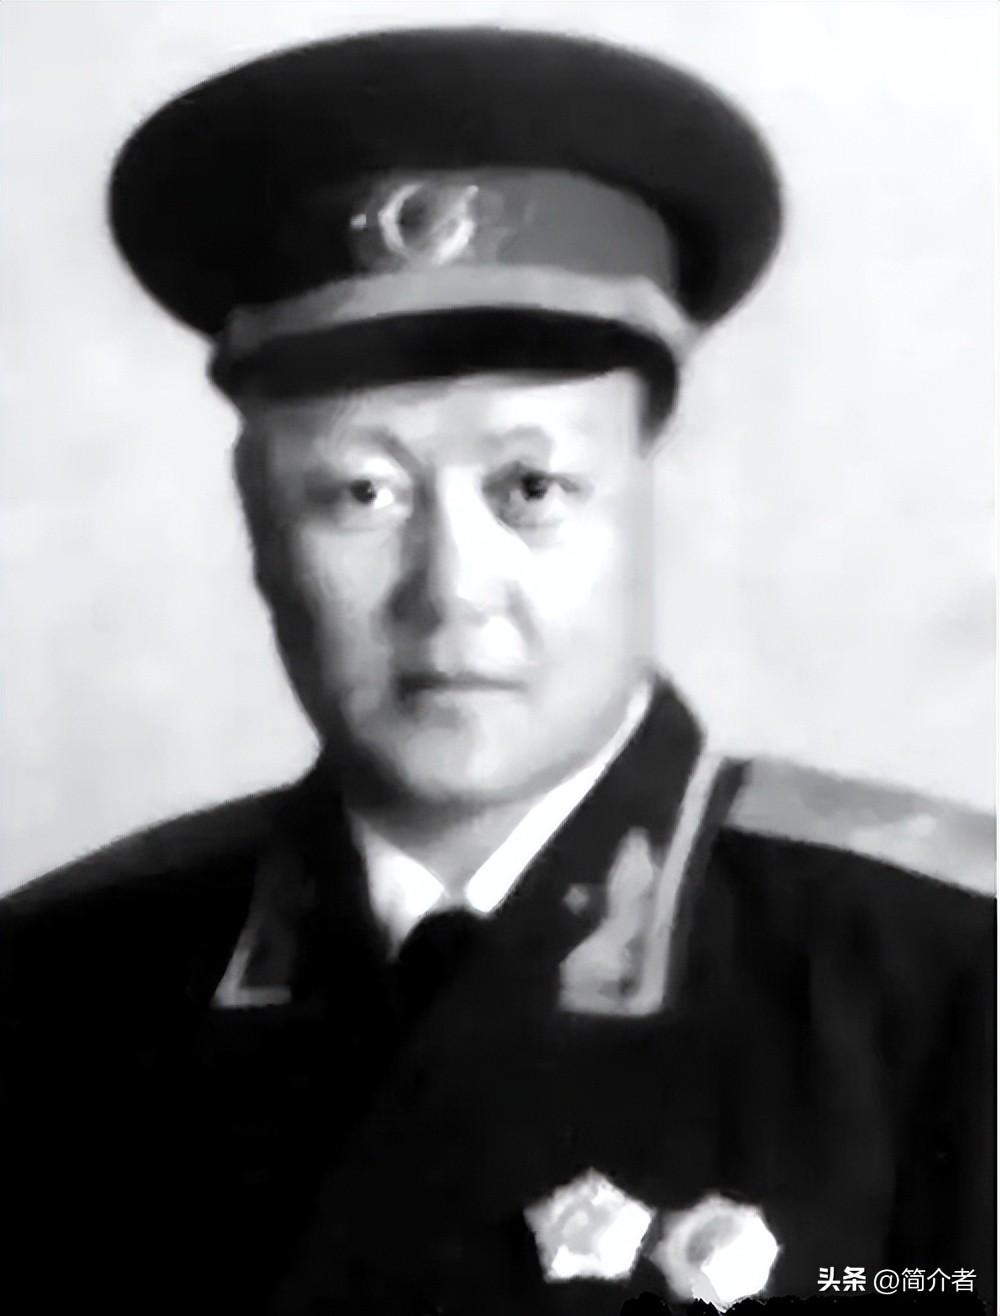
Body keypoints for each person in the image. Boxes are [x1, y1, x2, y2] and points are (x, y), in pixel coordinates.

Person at [2, 27, 994, 1316]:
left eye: (532, 487)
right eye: (360, 493)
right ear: (258, 528)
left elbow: (930, 1286)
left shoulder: (942, 975)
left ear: (651, 504)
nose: (450, 589)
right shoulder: (57, 995)